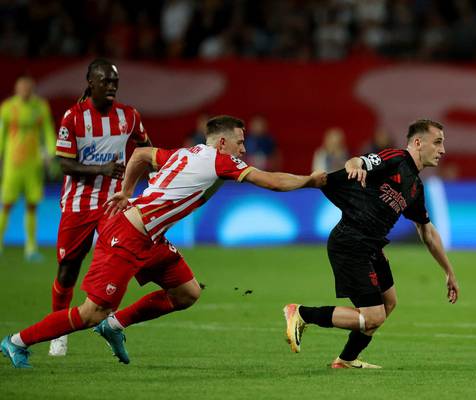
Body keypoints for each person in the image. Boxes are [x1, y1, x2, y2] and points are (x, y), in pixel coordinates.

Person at [1, 115, 326, 368]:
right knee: (90, 313)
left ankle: (115, 325)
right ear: (223, 142)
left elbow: (142, 154)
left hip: (151, 237)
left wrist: (128, 191)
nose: (243, 149)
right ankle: (17, 341)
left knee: (187, 292)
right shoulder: (218, 159)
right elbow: (270, 181)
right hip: (126, 236)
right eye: (240, 143)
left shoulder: (186, 153)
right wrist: (312, 180)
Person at [283, 119, 459, 369]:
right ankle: (301, 313)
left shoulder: (416, 188)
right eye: (438, 142)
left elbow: (427, 231)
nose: (443, 150)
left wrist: (449, 271)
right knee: (372, 317)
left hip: (371, 246)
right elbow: (359, 161)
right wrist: (355, 165)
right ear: (418, 143)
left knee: (389, 303)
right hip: (350, 242)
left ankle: (346, 360)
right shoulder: (396, 159)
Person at [48, 58, 152, 357]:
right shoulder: (74, 117)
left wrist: (145, 179)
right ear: (90, 82)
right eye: (105, 81)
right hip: (78, 205)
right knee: (68, 268)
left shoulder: (129, 116)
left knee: (118, 264)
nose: (111, 87)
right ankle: (58, 330)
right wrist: (102, 170)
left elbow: (146, 148)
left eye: (115, 82)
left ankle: (109, 322)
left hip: (114, 205)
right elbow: (63, 163)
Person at [0, 75, 56, 261]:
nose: (24, 90)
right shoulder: (7, 108)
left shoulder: (40, 107)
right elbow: (1, 134)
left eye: (27, 87)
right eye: (21, 87)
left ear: (32, 89)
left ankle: (30, 248)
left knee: (32, 206)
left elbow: (48, 130)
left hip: (34, 165)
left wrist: (50, 151)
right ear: (16, 89)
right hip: (12, 165)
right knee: (6, 205)